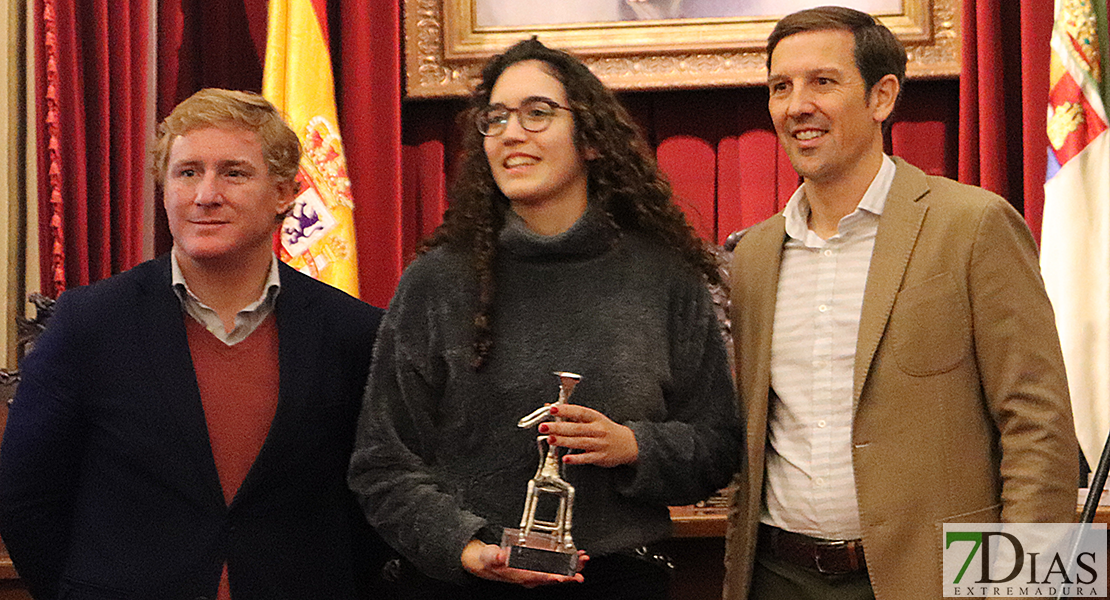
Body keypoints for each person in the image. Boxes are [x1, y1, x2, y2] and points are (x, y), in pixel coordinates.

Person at [348, 38, 741, 600]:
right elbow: (383, 463)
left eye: (538, 113)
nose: (512, 133)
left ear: (594, 141)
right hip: (459, 585)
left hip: (620, 582)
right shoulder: (435, 282)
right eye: (496, 118)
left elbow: (718, 447)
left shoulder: (666, 276)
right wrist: (466, 547)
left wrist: (635, 446)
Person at [723, 7, 1079, 600]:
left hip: (935, 577)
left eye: (823, 82)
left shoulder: (974, 224)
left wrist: (1023, 586)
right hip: (776, 576)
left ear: (882, 96)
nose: (796, 105)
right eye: (780, 86)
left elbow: (1038, 426)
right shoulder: (756, 254)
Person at [0, 89, 386, 600]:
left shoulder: (353, 333)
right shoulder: (88, 323)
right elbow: (27, 496)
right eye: (187, 172)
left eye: (234, 172)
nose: (206, 194)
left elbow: (374, 501)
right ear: (163, 189)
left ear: (284, 194)